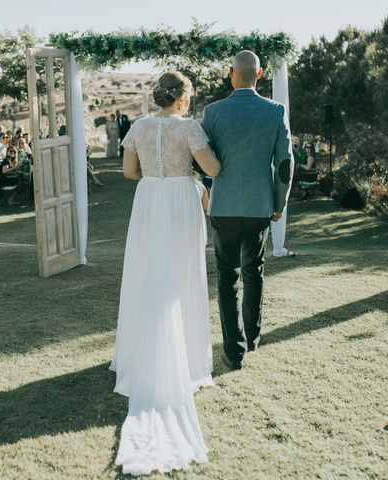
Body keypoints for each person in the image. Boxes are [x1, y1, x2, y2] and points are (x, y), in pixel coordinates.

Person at [111, 71, 221, 475]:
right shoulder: (189, 128)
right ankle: (187, 357)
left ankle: (138, 356)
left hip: (149, 200)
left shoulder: (138, 126)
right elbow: (214, 166)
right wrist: (192, 174)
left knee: (146, 273)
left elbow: (129, 172)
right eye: (189, 96)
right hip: (178, 199)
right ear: (181, 98)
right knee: (181, 277)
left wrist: (159, 175)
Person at [201, 50, 293, 371]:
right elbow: (285, 164)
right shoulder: (274, 111)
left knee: (228, 277)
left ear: (231, 74)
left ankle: (234, 350)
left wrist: (207, 195)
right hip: (258, 207)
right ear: (259, 74)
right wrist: (278, 202)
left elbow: (204, 162)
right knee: (254, 271)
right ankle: (252, 336)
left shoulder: (211, 113)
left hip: (223, 206)